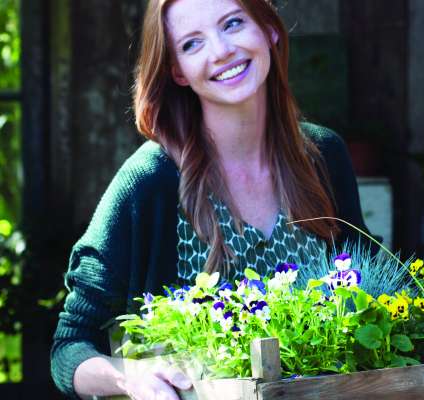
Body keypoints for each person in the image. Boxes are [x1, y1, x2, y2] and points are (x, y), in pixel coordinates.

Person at [50, 0, 372, 398]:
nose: (221, 51)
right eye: (191, 44)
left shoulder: (323, 157)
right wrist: (130, 376)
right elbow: (69, 349)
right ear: (177, 73)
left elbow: (374, 298)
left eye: (233, 23)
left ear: (268, 30)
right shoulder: (150, 181)